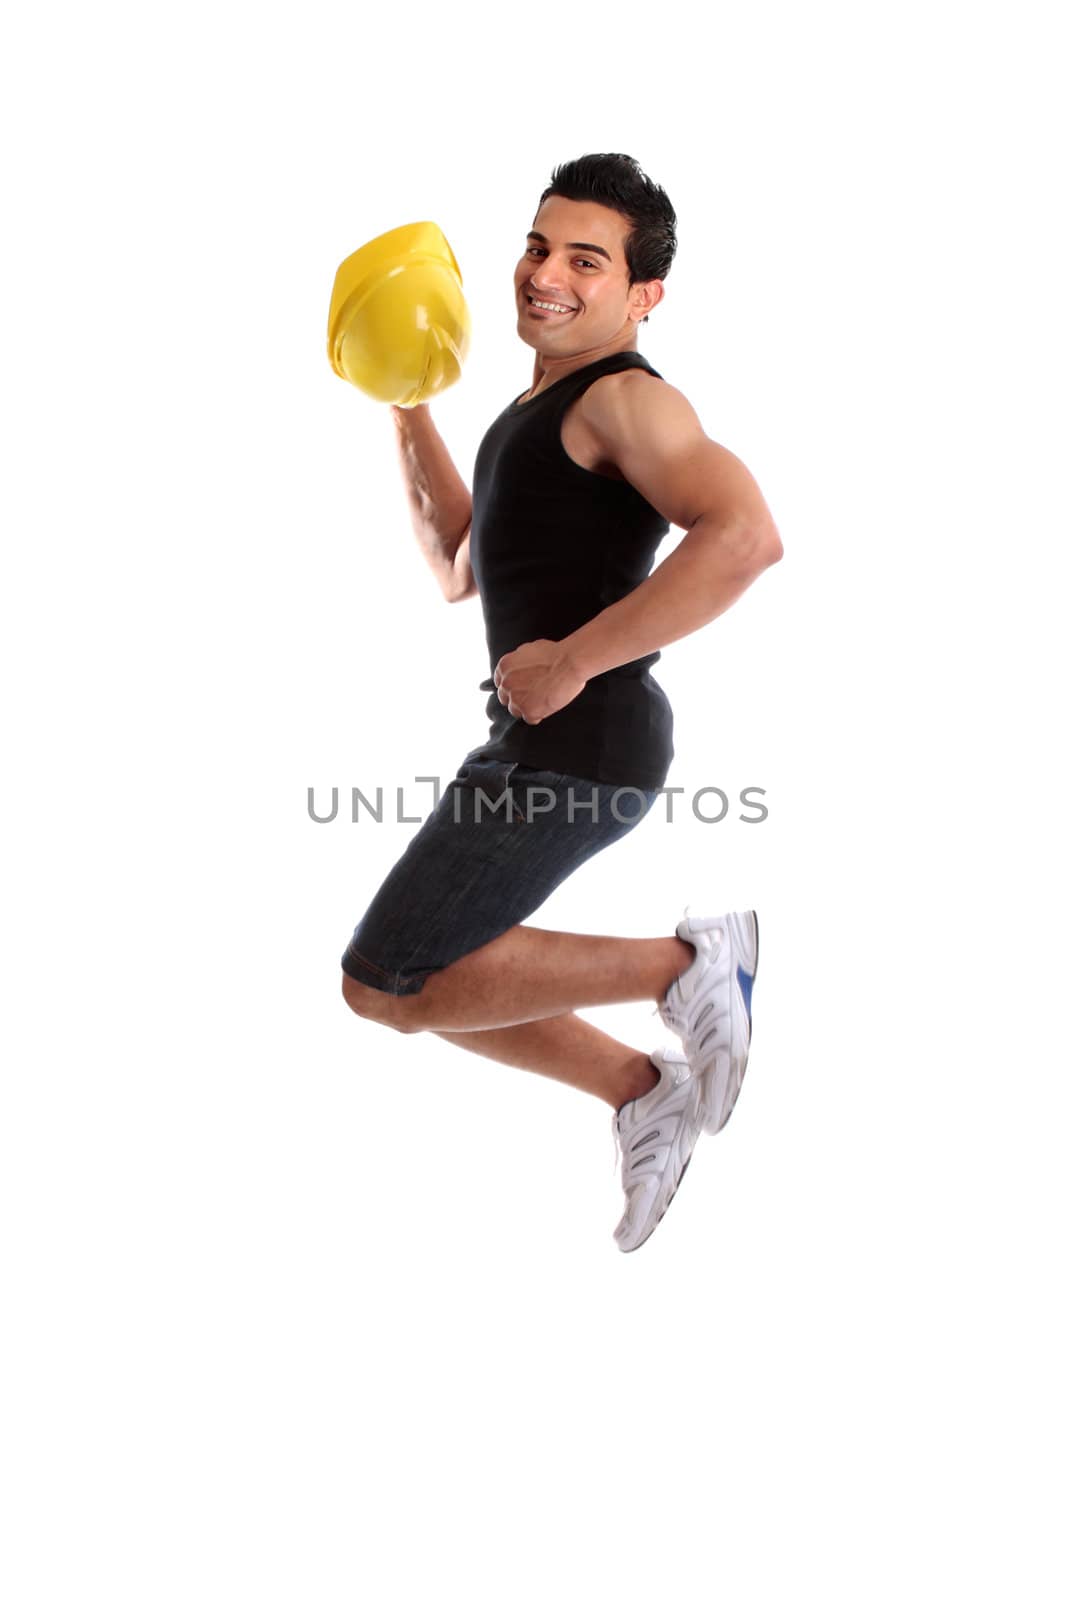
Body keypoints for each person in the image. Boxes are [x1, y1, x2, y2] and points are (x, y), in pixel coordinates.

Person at [339, 153, 783, 1251]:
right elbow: (455, 562)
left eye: (586, 259)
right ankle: (641, 1092)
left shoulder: (624, 399)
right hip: (538, 743)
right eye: (538, 246)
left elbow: (743, 537)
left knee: (391, 974)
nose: (545, 275)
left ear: (641, 295)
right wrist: (406, 402)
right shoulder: (526, 418)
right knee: (397, 981)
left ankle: (687, 966)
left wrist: (576, 658)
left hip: (584, 737)